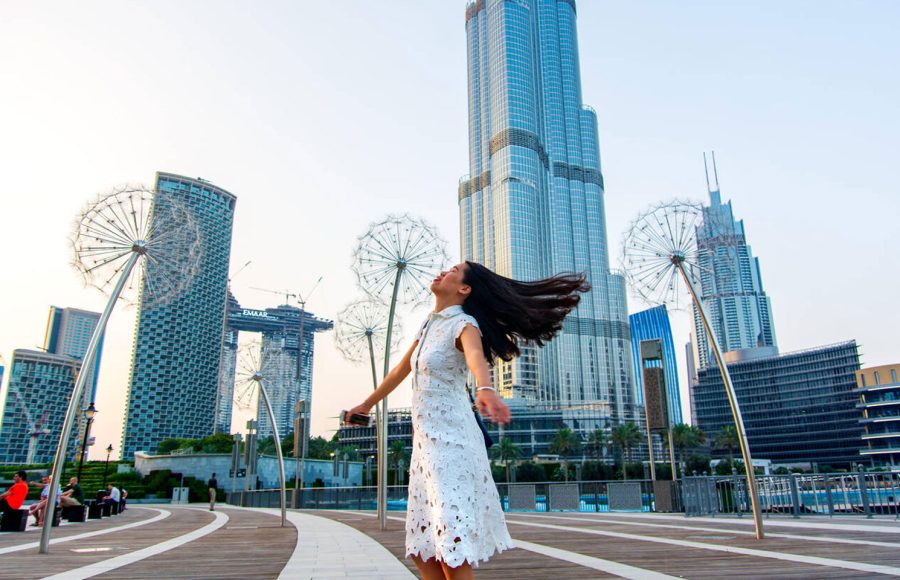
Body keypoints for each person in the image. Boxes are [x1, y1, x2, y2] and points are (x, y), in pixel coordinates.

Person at [346, 261, 588, 580]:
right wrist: (365, 405)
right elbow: (398, 372)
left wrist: (485, 387)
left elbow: (475, 356)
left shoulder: (464, 324)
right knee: (423, 551)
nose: (443, 272)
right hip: (426, 448)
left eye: (453, 271)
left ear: (464, 289)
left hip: (453, 445)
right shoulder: (428, 326)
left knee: (451, 549)